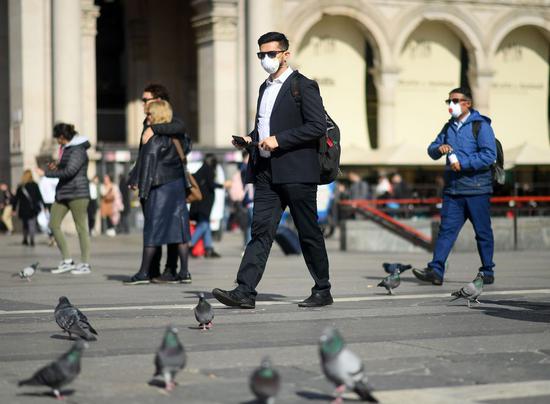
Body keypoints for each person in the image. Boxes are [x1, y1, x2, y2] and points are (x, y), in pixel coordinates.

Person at [212, 32, 332, 309]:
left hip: (297, 172)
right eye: (261, 55)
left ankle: (323, 288)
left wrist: (280, 140)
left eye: (270, 54)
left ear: (285, 55)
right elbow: (265, 128)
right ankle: (244, 291)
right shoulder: (264, 88)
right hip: (266, 171)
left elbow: (317, 126)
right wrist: (249, 138)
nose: (265, 59)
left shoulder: (303, 86)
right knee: (261, 231)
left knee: (308, 232)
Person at [413, 87, 497, 286]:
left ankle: (487, 270)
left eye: (456, 100)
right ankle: (436, 270)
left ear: (467, 103)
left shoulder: (481, 126)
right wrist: (438, 149)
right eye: (449, 101)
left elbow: (489, 155)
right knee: (446, 231)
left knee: (483, 232)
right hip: (453, 190)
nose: (451, 105)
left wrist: (464, 163)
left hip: (477, 189)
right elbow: (432, 149)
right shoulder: (448, 126)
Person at [124, 100, 192, 285]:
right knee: (180, 228)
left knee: (153, 229)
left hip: (159, 187)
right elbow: (188, 147)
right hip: (177, 186)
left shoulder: (152, 139)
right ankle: (185, 272)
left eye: (149, 114)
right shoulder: (179, 136)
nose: (147, 117)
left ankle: (144, 272)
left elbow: (147, 166)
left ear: (156, 115)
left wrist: (142, 190)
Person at [46, 123, 92, 274]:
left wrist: (48, 174)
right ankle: (67, 260)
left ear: (62, 137)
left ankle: (85, 263)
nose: (56, 141)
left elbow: (70, 171)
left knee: (81, 228)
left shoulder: (77, 150)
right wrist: (56, 166)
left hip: (78, 193)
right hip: (64, 192)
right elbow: (66, 168)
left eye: (57, 138)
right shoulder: (67, 149)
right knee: (53, 224)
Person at [189, 153, 222, 258]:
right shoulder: (208, 170)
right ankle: (190, 244)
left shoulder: (201, 170)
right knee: (203, 224)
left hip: (199, 204)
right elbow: (211, 184)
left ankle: (208, 249)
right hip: (203, 204)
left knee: (206, 224)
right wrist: (222, 185)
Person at [12, 170, 43, 246]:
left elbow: (16, 198)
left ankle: (25, 239)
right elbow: (39, 196)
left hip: (24, 209)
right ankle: (32, 240)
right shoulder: (35, 185)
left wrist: (14, 209)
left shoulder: (21, 186)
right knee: (32, 224)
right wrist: (44, 206)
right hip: (33, 208)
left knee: (25, 224)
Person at [37, 171, 59, 245]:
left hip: (47, 202)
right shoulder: (53, 178)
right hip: (53, 201)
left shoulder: (43, 180)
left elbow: (40, 193)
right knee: (53, 220)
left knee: (49, 220)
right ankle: (53, 237)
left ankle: (52, 237)